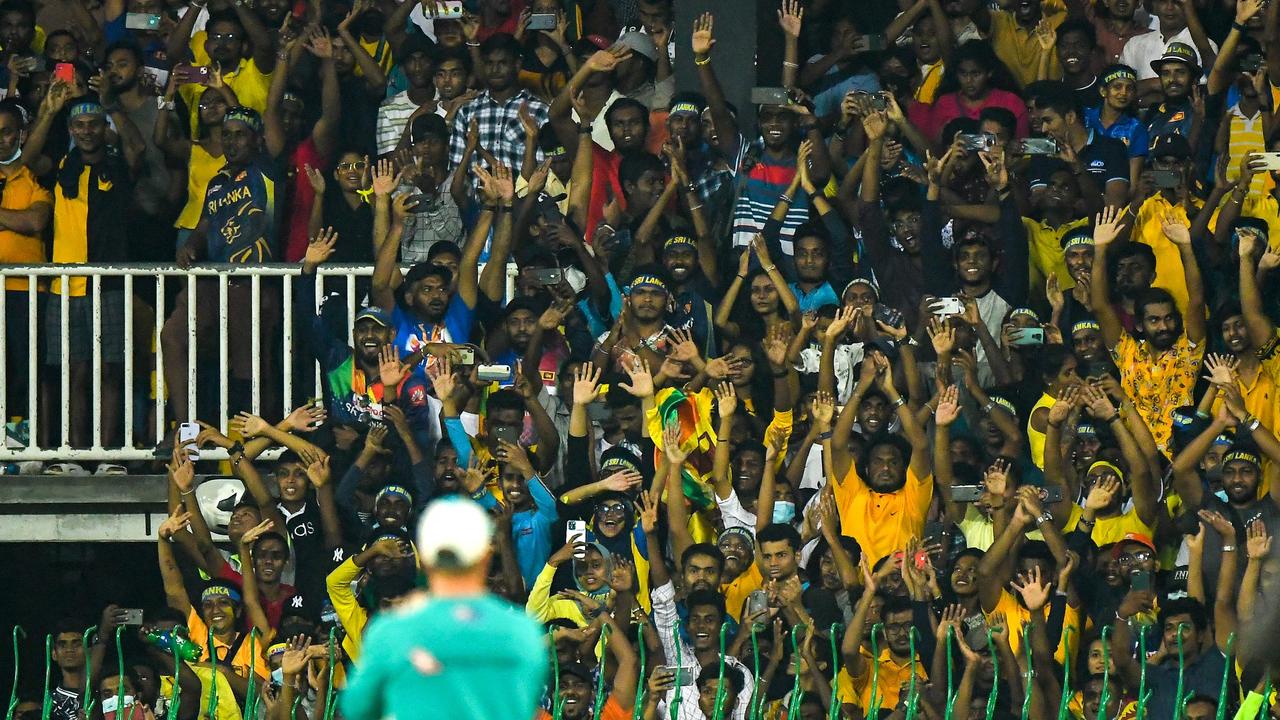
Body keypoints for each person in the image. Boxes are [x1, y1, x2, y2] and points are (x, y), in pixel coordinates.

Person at [340, 497, 548, 720]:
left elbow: (356, 708)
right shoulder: (522, 632)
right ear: (485, 558)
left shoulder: (392, 631)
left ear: (427, 560)